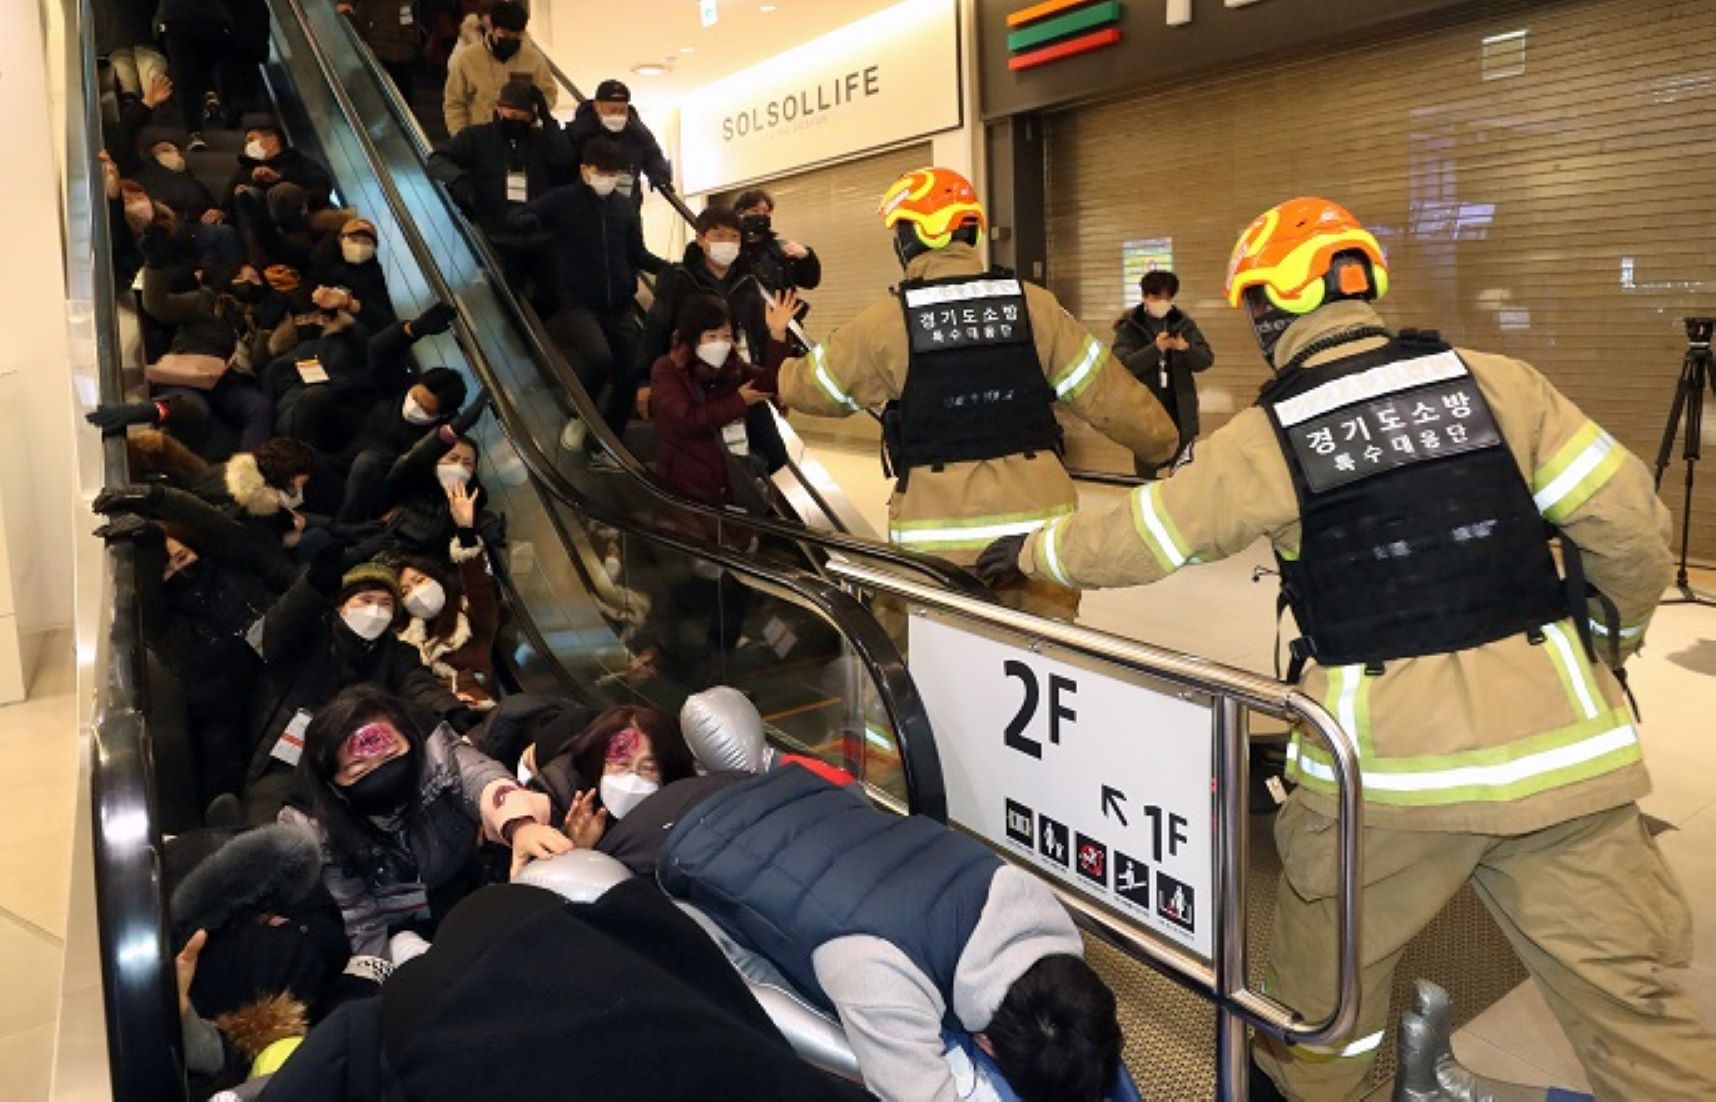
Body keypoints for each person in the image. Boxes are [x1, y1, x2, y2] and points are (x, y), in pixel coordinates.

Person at [978, 196, 1716, 1101]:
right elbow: (1632, 529)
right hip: (1563, 762)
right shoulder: (1499, 382)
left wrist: (1029, 552)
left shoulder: (1273, 436)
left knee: (1318, 1017)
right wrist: (1606, 645)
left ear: (1266, 311)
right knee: (1635, 1015)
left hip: (1383, 784)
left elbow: (1146, 539)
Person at [774, 166, 1177, 618]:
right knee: (1043, 655)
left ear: (909, 238)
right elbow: (1107, 394)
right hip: (1035, 539)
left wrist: (780, 357)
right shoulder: (1034, 305)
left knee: (937, 664)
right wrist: (1162, 443)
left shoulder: (887, 322)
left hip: (938, 545)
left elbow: (811, 389)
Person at [656, 764, 1124, 1102]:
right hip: (683, 835)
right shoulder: (882, 973)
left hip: (796, 791)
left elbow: (1079, 1031)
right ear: (985, 1045)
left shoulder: (1029, 898)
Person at [281, 684, 566, 959]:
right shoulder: (319, 829)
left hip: (465, 884)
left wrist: (520, 824)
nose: (380, 771)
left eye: (391, 756)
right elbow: (360, 920)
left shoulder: (434, 753)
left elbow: (479, 778)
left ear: (411, 741)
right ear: (333, 784)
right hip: (398, 927)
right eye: (358, 770)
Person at [239, 559, 477, 824]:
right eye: (365, 600)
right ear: (341, 606)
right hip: (286, 762)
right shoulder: (310, 635)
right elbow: (272, 635)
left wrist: (450, 710)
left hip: (357, 763)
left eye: (385, 603)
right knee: (269, 824)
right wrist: (310, 588)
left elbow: (417, 684)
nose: (375, 610)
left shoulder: (396, 653)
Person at [508, 137, 665, 446]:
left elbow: (637, 253)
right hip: (579, 303)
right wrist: (527, 221)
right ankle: (581, 415)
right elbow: (518, 215)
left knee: (628, 378)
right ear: (584, 170)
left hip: (620, 305)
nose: (607, 178)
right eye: (601, 171)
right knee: (598, 358)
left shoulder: (623, 207)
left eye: (613, 173)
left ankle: (609, 443)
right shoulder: (563, 200)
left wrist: (669, 267)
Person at [427, 79, 575, 237]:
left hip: (535, 230)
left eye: (523, 117)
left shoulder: (539, 139)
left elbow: (564, 157)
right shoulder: (476, 137)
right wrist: (458, 179)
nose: (517, 121)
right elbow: (437, 159)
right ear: (499, 110)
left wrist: (547, 118)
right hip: (491, 231)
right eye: (512, 115)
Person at [1111, 269, 1213, 478]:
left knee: (1183, 476)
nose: (1162, 302)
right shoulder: (1129, 327)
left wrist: (1185, 348)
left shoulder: (1183, 323)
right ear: (1145, 296)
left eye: (1167, 297)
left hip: (1180, 411)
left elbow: (1205, 360)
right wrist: (1155, 349)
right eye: (1156, 296)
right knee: (1145, 478)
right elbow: (1122, 364)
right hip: (1145, 412)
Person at [391, 527, 501, 709]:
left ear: (436, 578)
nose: (416, 593)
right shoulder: (403, 639)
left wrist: (466, 535)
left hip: (480, 711)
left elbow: (478, 587)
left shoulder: (469, 616)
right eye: (405, 592)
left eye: (419, 581)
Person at [441, 0, 557, 137]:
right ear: (492, 29)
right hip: (480, 139)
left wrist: (532, 111)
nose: (510, 40)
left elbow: (549, 93)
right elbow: (454, 103)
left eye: (515, 36)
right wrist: (461, 137)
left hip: (523, 138)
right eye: (504, 35)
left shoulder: (533, 59)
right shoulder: (467, 59)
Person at [566, 80, 673, 206]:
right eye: (612, 110)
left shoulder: (636, 130)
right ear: (597, 106)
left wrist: (660, 174)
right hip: (588, 207)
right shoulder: (578, 132)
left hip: (628, 205)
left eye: (622, 110)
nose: (617, 115)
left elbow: (652, 153)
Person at [153, 0, 237, 149]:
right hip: (215, 18)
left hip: (176, 18)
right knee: (209, 66)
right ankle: (211, 94)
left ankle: (195, 133)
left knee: (185, 77)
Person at [226, 115, 335, 211]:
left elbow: (320, 192)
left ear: (272, 141)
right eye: (246, 143)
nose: (247, 146)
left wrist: (278, 180)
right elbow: (227, 205)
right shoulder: (244, 171)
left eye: (251, 140)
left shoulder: (300, 163)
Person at [734, 187, 822, 298]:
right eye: (755, 211)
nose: (761, 215)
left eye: (766, 212)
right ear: (740, 214)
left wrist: (806, 257)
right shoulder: (731, 250)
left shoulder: (779, 249)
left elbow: (810, 282)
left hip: (779, 313)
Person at [337, 0, 424, 102]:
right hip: (376, 50)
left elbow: (412, 13)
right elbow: (343, 6)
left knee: (399, 99)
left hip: (401, 51)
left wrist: (413, 39)